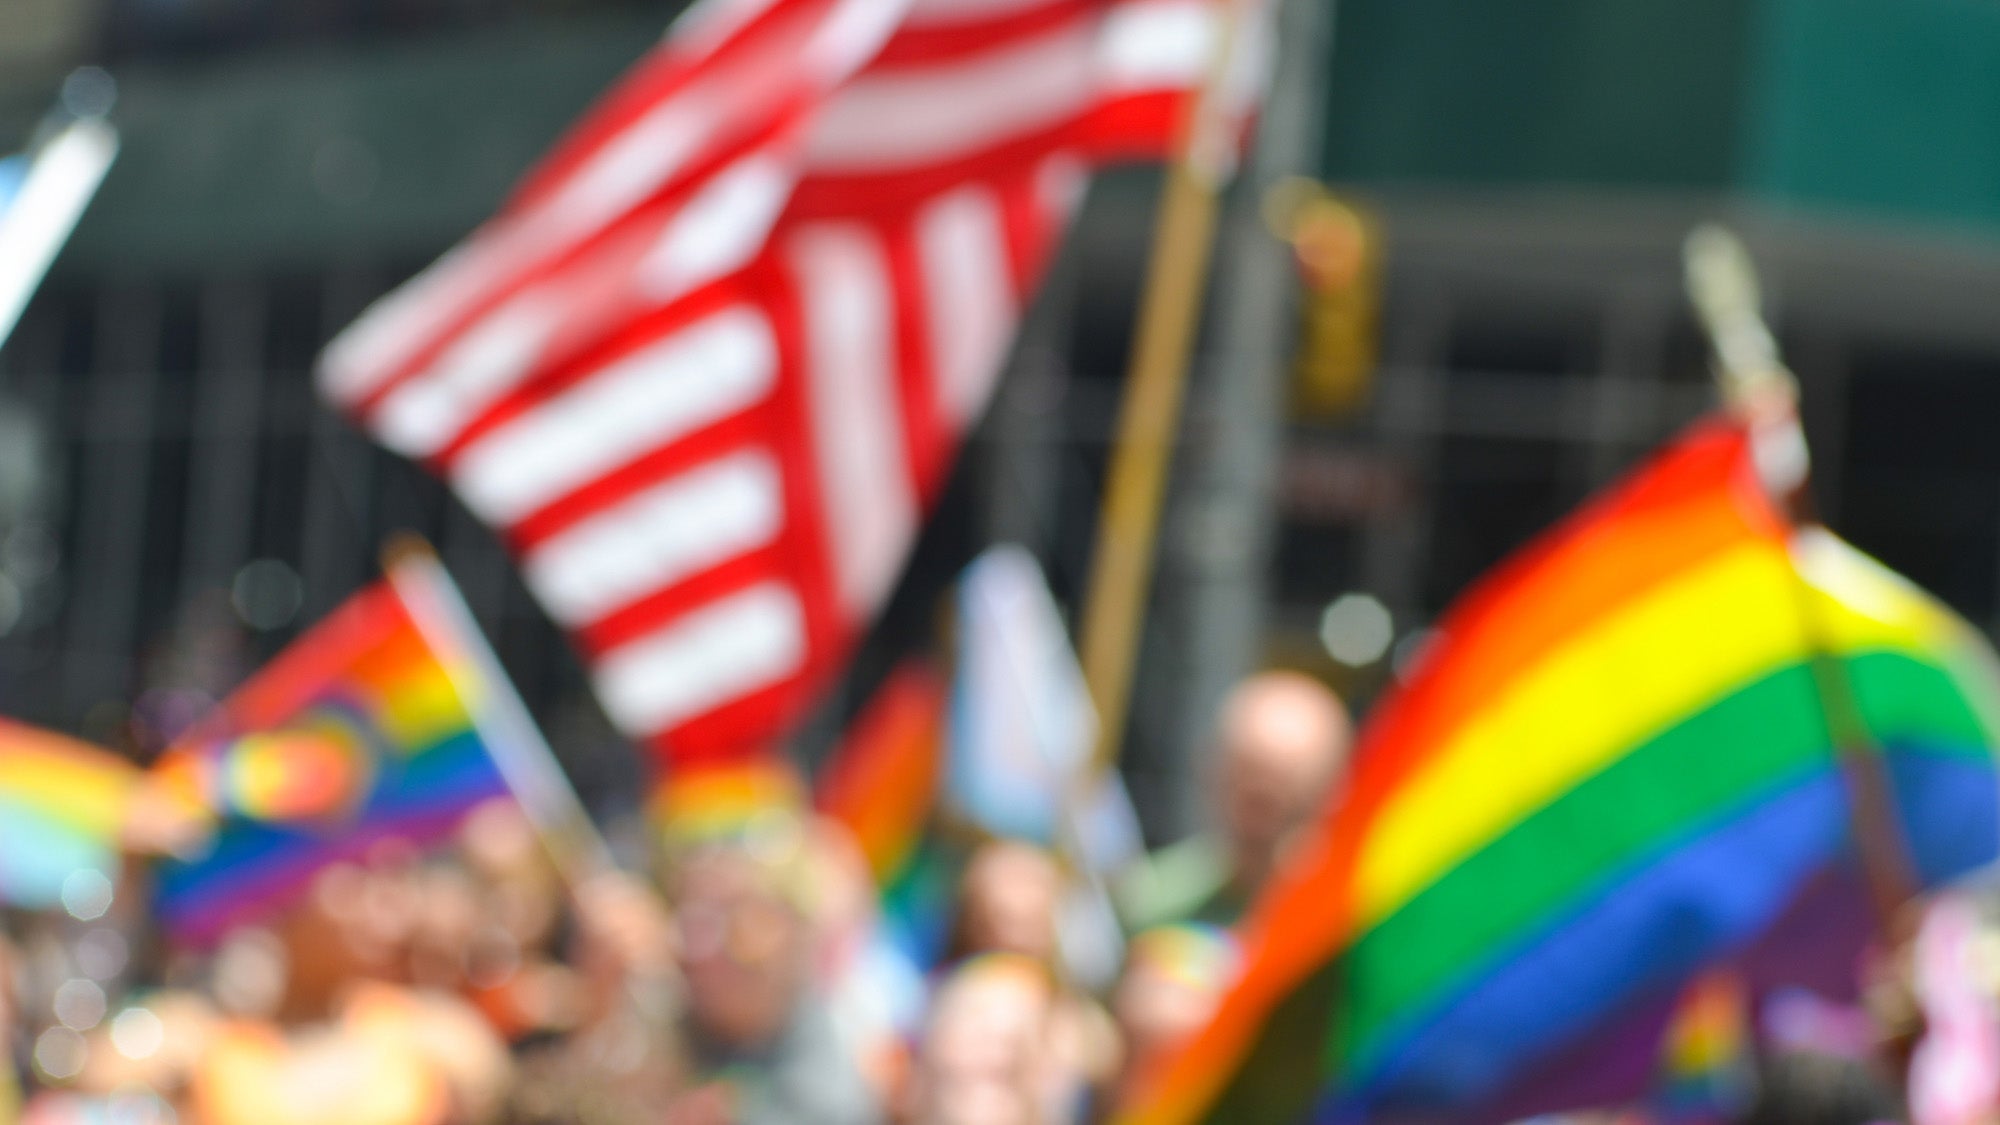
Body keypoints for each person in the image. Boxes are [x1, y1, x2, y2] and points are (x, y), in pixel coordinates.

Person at [1118, 670, 1352, 930]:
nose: (1258, 828)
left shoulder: (1356, 920)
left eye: (1280, 801)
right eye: (1244, 784)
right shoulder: (1148, 899)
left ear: (1335, 793)